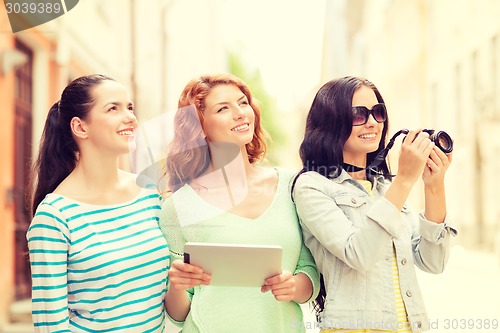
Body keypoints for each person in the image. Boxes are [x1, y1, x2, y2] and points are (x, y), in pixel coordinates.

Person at [291, 76, 457, 333]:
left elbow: (432, 261)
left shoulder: (385, 188)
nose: (372, 122)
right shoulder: (312, 186)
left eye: (378, 112)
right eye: (358, 114)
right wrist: (404, 180)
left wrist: (434, 186)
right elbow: (359, 254)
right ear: (331, 121)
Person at [158, 73, 320, 332]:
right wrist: (178, 285)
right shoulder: (178, 207)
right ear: (199, 126)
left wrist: (293, 286)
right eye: (223, 108)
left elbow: (310, 272)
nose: (240, 113)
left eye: (243, 103)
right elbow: (178, 314)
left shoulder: (292, 186)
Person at [27, 74, 170, 332]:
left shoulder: (148, 192)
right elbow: (51, 326)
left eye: (129, 107)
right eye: (113, 108)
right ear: (80, 127)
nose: (130, 118)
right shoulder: (54, 217)